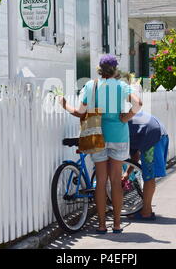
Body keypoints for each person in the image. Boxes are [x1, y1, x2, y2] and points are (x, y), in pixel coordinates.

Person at [60, 55, 143, 234]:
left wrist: (64, 105)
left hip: (97, 136)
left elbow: (81, 113)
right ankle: (118, 224)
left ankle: (102, 225)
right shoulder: (121, 86)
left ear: (99, 69)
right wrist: (126, 117)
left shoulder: (91, 85)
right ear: (115, 70)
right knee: (115, 181)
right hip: (119, 136)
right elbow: (138, 103)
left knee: (101, 181)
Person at [123, 111, 168, 220]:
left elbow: (133, 156)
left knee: (148, 176)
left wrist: (126, 173)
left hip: (153, 136)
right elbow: (134, 157)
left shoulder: (119, 128)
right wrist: (127, 173)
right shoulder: (125, 120)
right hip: (160, 133)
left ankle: (146, 212)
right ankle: (147, 209)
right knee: (149, 175)